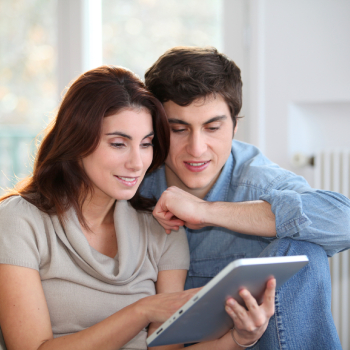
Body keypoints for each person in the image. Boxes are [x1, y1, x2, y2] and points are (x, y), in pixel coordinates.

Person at [0, 65, 276, 350]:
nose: (137, 163)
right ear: (77, 141)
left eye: (146, 144)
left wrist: (238, 339)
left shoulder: (161, 228)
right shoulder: (20, 221)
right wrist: (142, 311)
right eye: (119, 144)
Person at [140, 46, 350, 350]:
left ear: (235, 126)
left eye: (213, 127)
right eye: (178, 129)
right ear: (157, 128)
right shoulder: (135, 180)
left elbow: (343, 220)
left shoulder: (257, 179)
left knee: (301, 249)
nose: (197, 148)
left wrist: (208, 211)